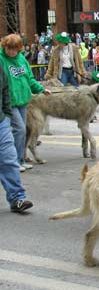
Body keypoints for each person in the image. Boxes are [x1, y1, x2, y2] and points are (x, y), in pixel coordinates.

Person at [0, 34, 51, 172]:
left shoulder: (22, 59)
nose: (11, 52)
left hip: (23, 100)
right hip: (8, 102)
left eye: (14, 49)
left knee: (23, 131)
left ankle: (20, 159)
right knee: (20, 129)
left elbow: (29, 78)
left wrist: (41, 89)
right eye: (8, 48)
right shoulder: (1, 60)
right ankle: (14, 161)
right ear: (4, 47)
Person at [0, 64, 34, 213]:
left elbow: (5, 88)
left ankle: (17, 198)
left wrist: (6, 114)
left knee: (9, 157)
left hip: (1, 121)